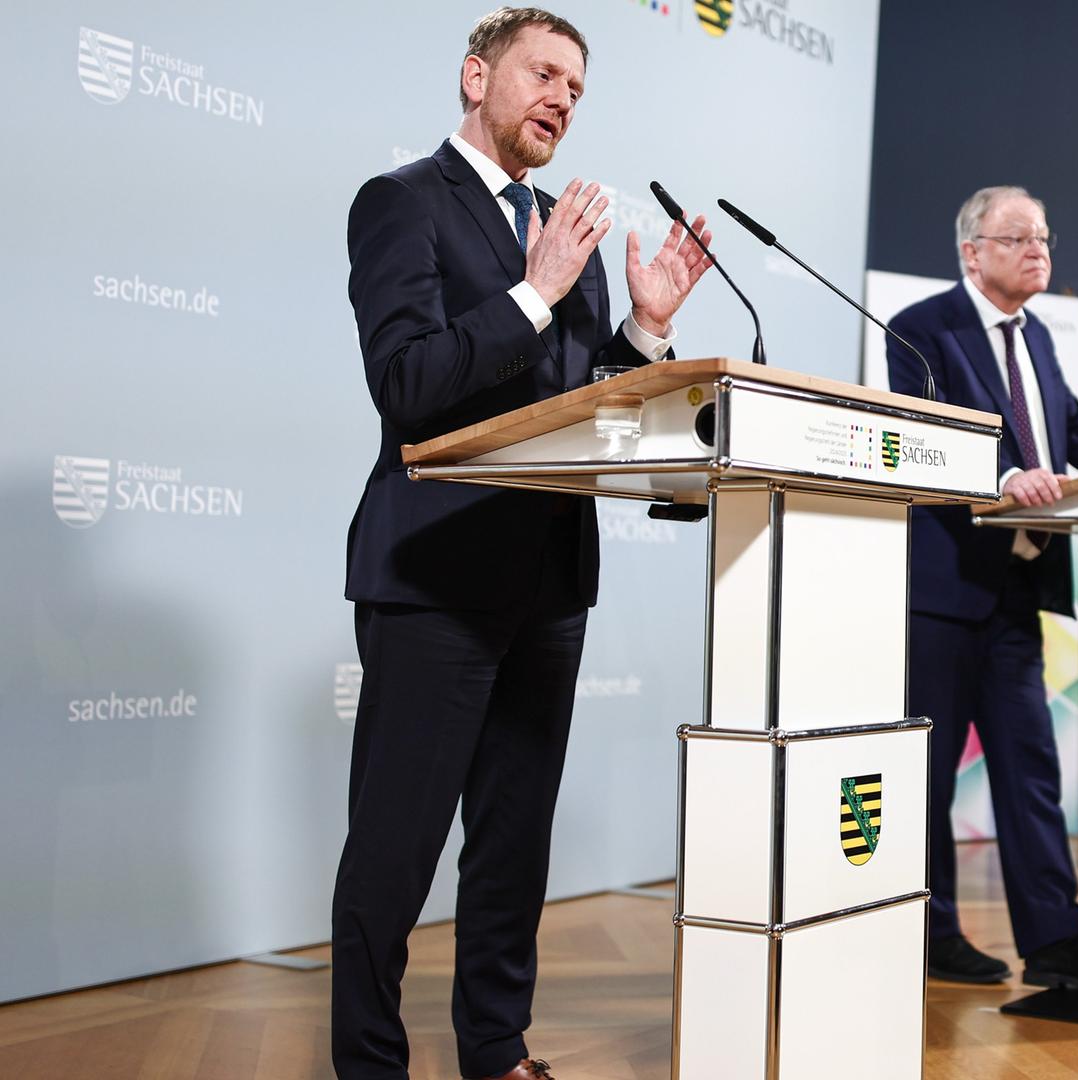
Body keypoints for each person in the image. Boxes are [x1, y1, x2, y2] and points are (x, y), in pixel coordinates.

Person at [335, 8, 713, 1078]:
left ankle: (495, 1051)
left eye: (576, 89)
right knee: (396, 849)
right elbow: (406, 382)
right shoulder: (402, 203)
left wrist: (643, 331)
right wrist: (535, 291)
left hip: (548, 578)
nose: (561, 99)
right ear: (475, 76)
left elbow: (579, 405)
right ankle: (368, 1066)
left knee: (512, 845)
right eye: (544, 74)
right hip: (435, 575)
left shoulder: (566, 230)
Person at [886, 186, 1078, 992]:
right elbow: (919, 435)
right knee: (926, 775)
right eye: (1019, 237)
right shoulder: (924, 328)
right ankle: (928, 933)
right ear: (972, 252)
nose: (1039, 250)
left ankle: (1058, 943)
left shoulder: (1038, 341)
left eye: (1044, 237)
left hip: (1021, 587)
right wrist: (1000, 477)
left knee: (1031, 768)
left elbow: (1071, 433)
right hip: (947, 588)